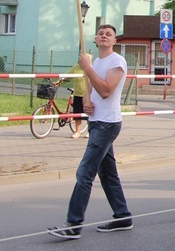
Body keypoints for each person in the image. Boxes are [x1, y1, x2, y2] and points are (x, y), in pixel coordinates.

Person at [48, 24, 132, 239]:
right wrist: (87, 103)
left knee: (85, 172)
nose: (104, 36)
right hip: (96, 121)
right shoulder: (96, 61)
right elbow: (92, 91)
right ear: (95, 39)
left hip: (107, 124)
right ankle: (123, 216)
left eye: (109, 34)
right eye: (101, 33)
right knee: (107, 174)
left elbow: (105, 91)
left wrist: (87, 68)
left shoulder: (117, 61)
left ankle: (73, 224)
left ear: (114, 41)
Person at [66, 56, 89, 138]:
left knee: (88, 113)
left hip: (87, 94)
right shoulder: (76, 67)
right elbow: (67, 75)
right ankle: (78, 132)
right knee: (77, 114)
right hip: (77, 94)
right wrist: (59, 81)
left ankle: (89, 131)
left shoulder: (90, 68)